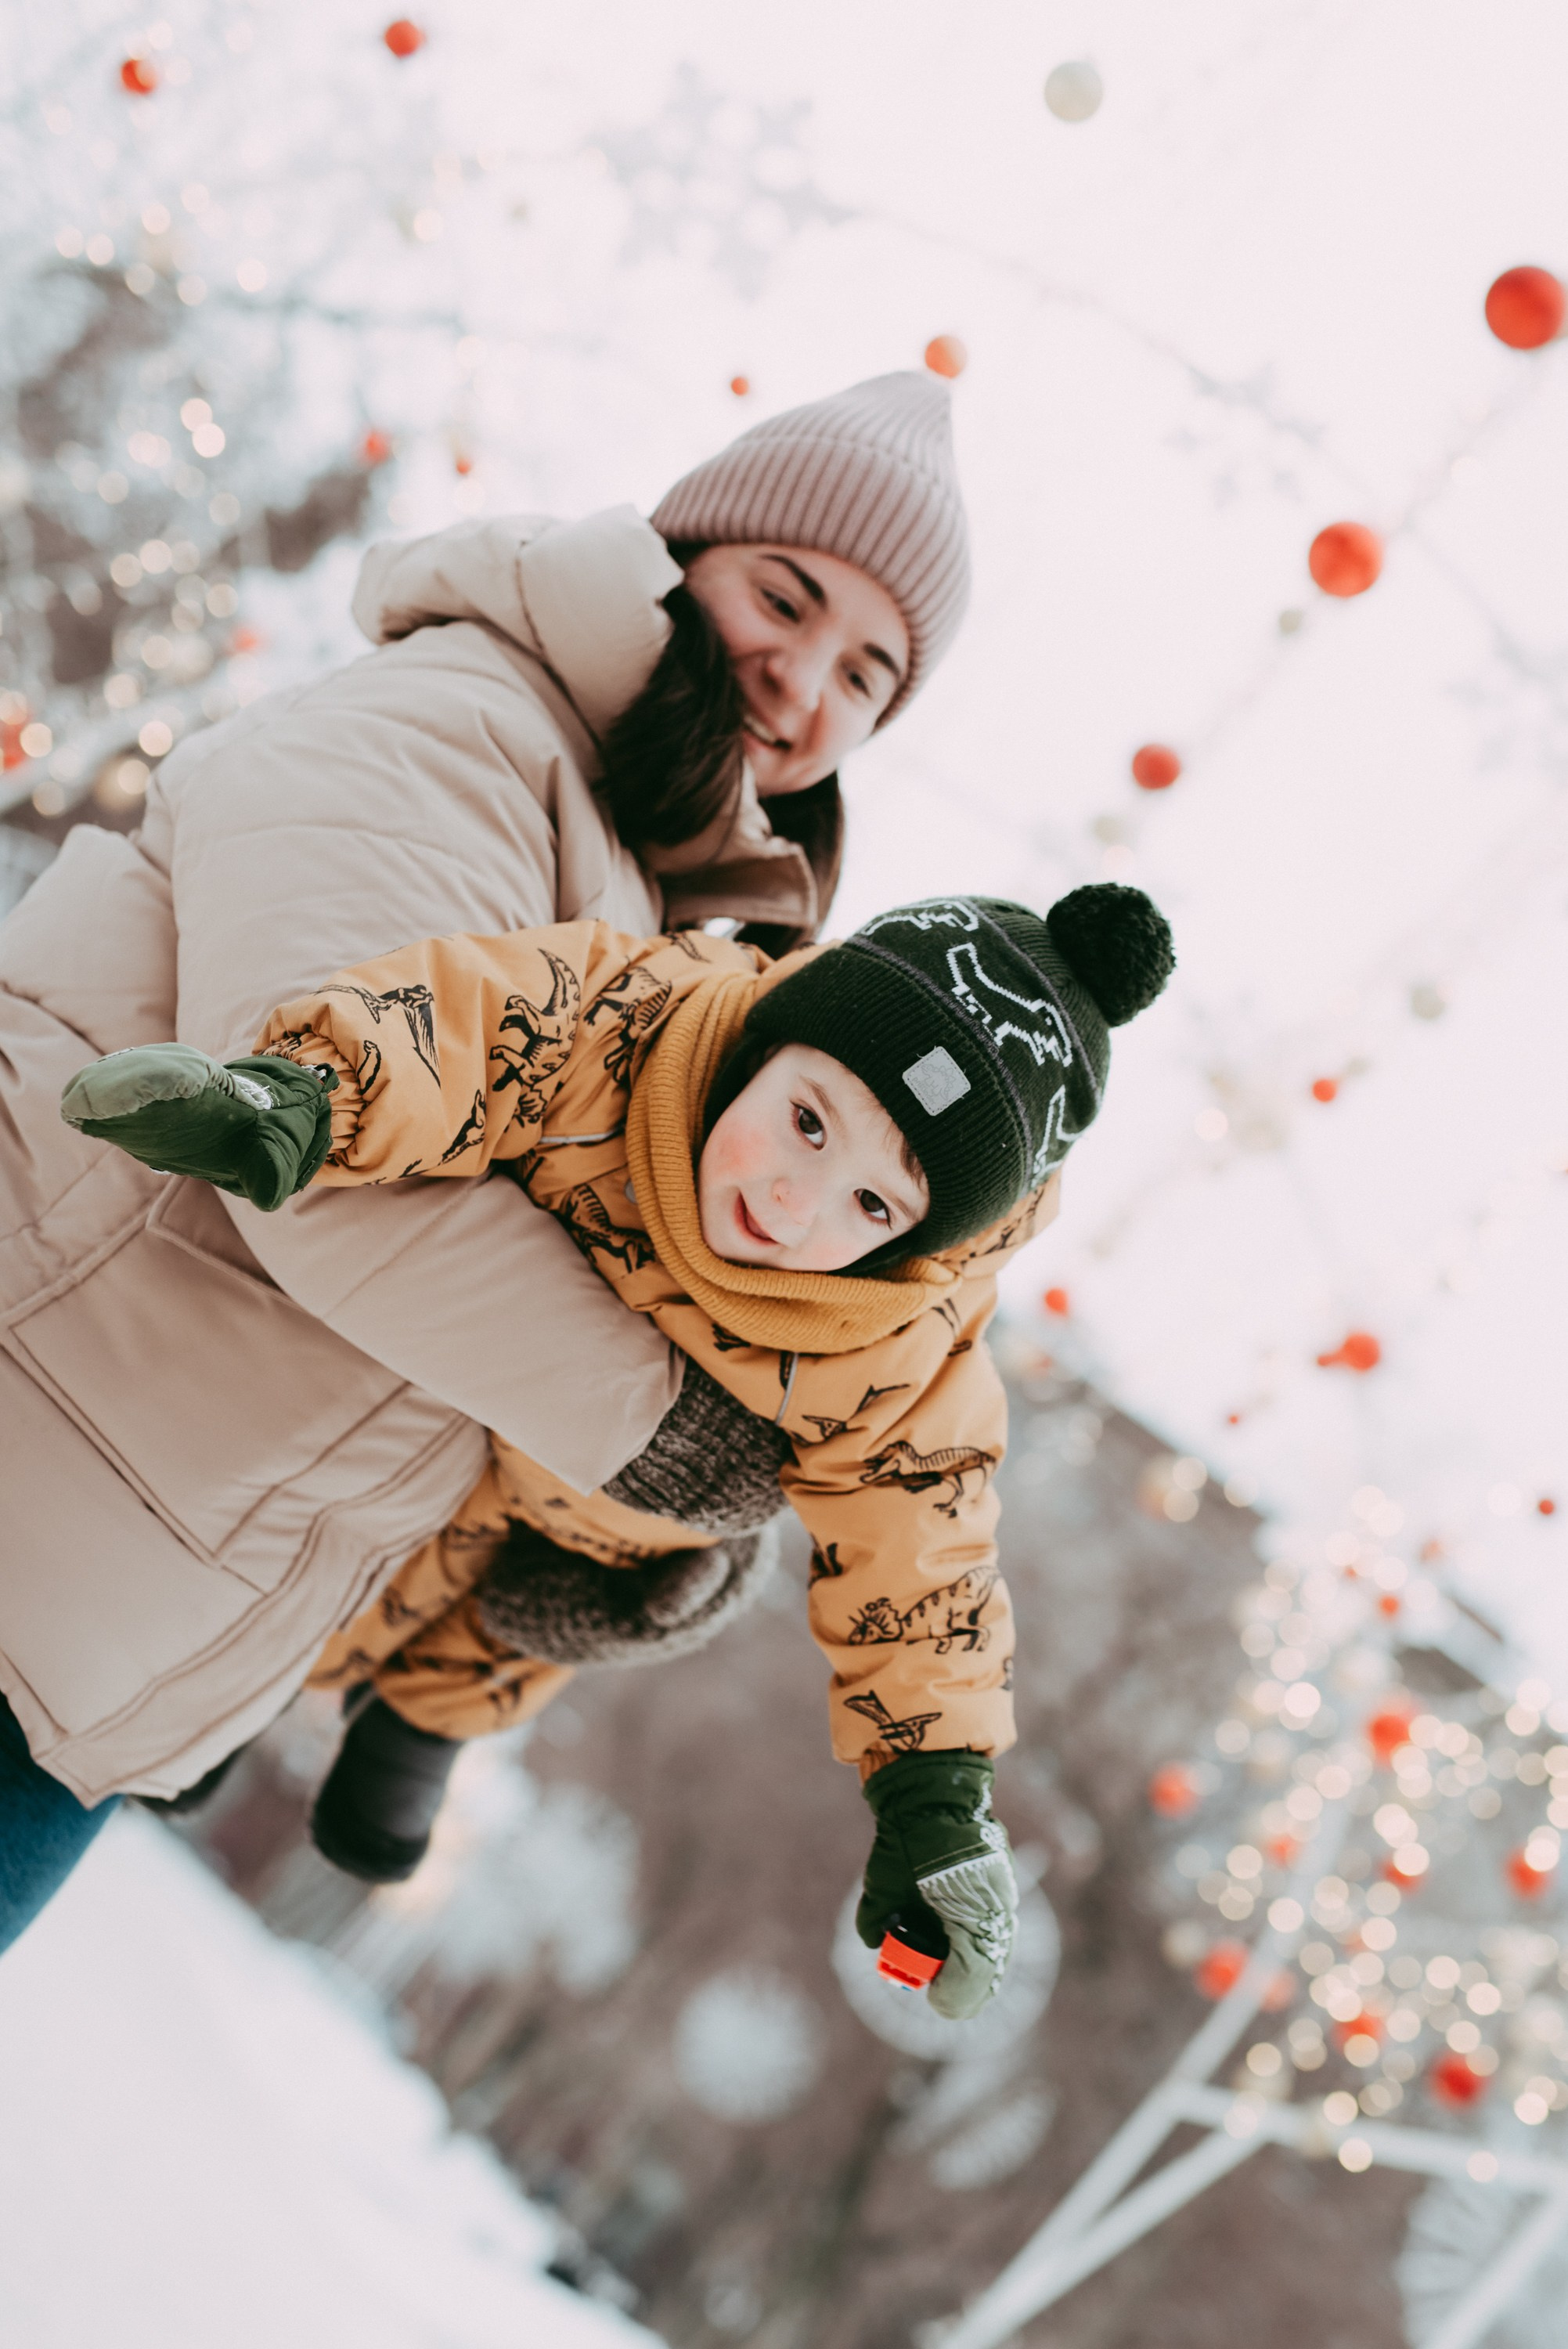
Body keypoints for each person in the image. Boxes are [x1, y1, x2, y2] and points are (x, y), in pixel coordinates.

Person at [0, 370, 974, 1953]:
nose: (802, 686)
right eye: (782, 599)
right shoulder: (463, 727)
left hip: (98, 1605)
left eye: (866, 676)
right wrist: (668, 1436)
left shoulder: (653, 913)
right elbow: (308, 1148)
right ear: (674, 558)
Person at [64, 882, 1176, 2013]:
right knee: (338, 1540)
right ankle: (241, 1700)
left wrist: (934, 1798)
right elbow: (474, 1027)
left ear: (915, 1245)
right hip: (444, 1426)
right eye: (805, 1120)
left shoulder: (898, 1353)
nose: (796, 1203)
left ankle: (425, 1725)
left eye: (874, 1206)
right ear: (764, 1042)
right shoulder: (636, 1022)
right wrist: (299, 1102)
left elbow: (927, 1563)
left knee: (549, 1619)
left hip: (599, 1536)